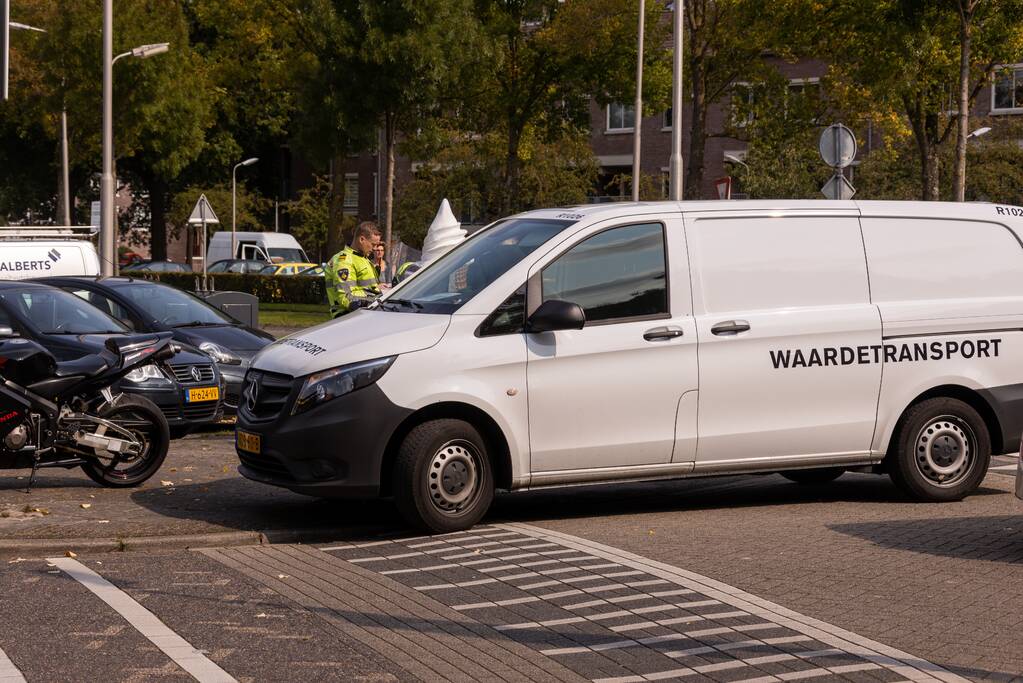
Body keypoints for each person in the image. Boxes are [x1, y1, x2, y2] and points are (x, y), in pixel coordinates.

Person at [324, 221, 382, 317]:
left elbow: (366, 287)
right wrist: (376, 298)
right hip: (348, 317)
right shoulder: (343, 261)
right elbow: (346, 297)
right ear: (362, 239)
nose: (375, 248)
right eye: (373, 244)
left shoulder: (363, 259)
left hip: (363, 315)